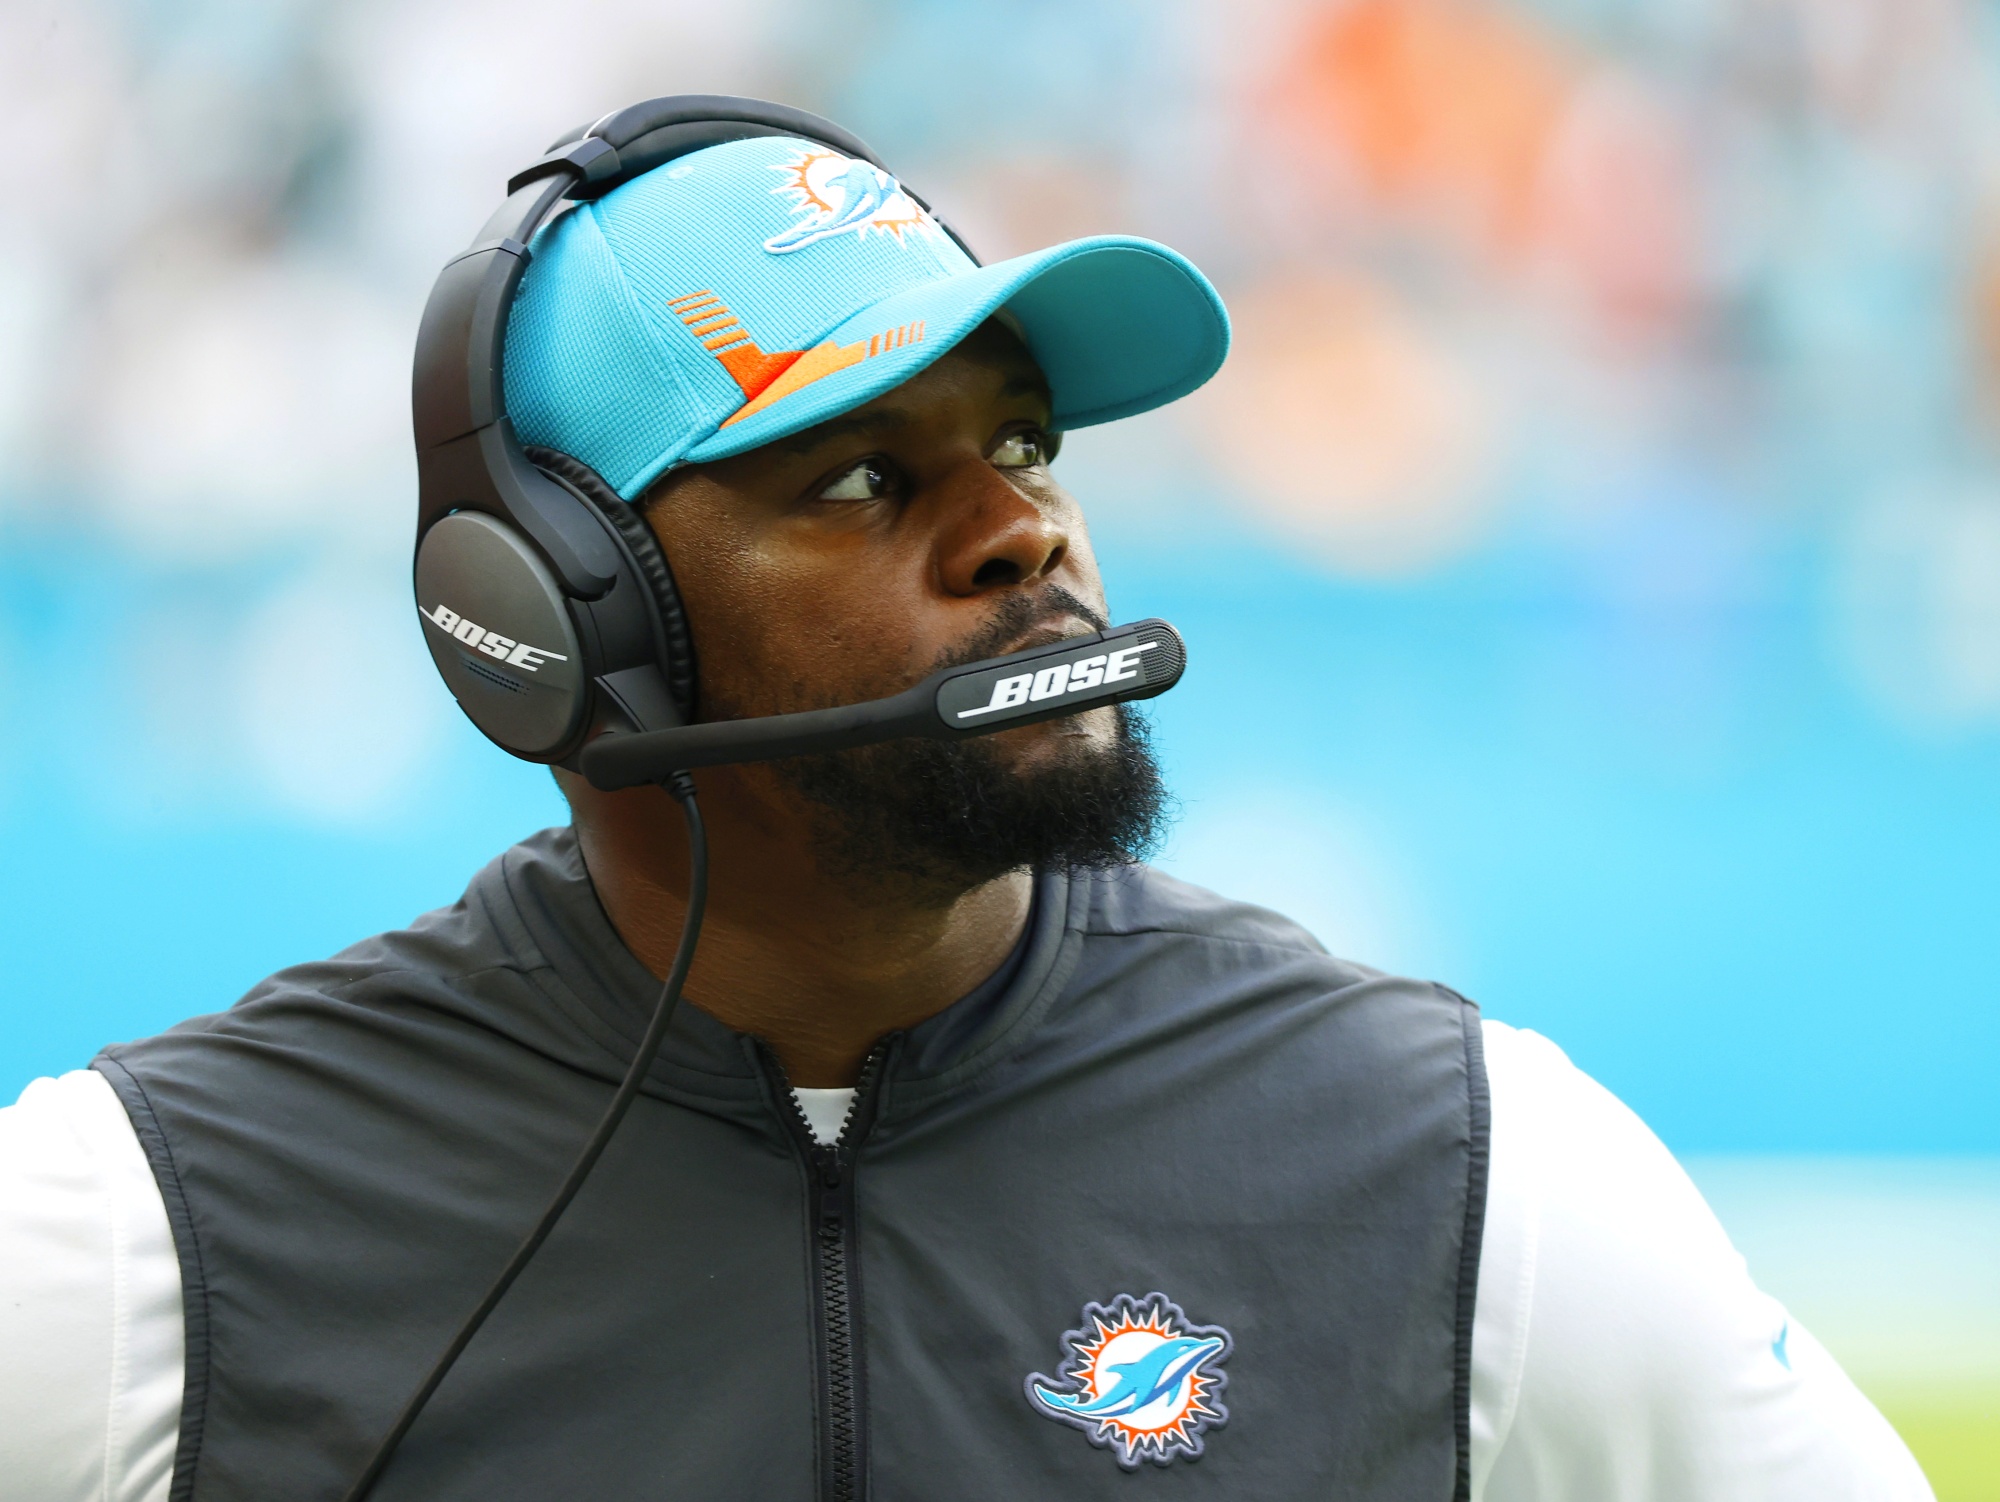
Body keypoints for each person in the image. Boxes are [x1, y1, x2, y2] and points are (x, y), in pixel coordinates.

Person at [0, 103, 1932, 1502]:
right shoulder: (149, 1233)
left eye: (1020, 438)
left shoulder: (1465, 1168)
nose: (1024, 528)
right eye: (861, 476)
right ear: (574, 618)